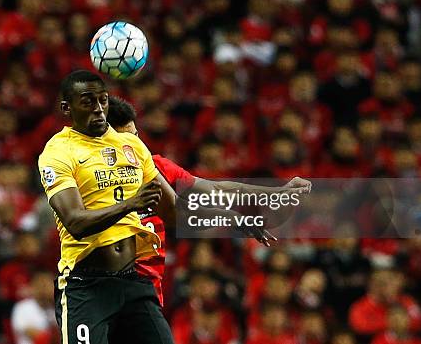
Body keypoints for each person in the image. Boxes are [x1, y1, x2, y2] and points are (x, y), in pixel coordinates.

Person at [106, 95, 312, 306]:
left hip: (144, 291)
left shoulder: (158, 167)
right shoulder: (87, 178)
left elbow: (215, 187)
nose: (136, 145)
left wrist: (273, 192)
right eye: (127, 139)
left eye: (136, 136)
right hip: (101, 287)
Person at [38, 70, 175, 344]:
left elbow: (176, 211)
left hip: (132, 280)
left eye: (103, 101)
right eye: (88, 102)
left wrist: (236, 222)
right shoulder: (57, 152)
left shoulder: (131, 145)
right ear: (67, 108)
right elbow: (76, 223)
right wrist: (130, 204)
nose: (99, 109)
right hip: (86, 286)